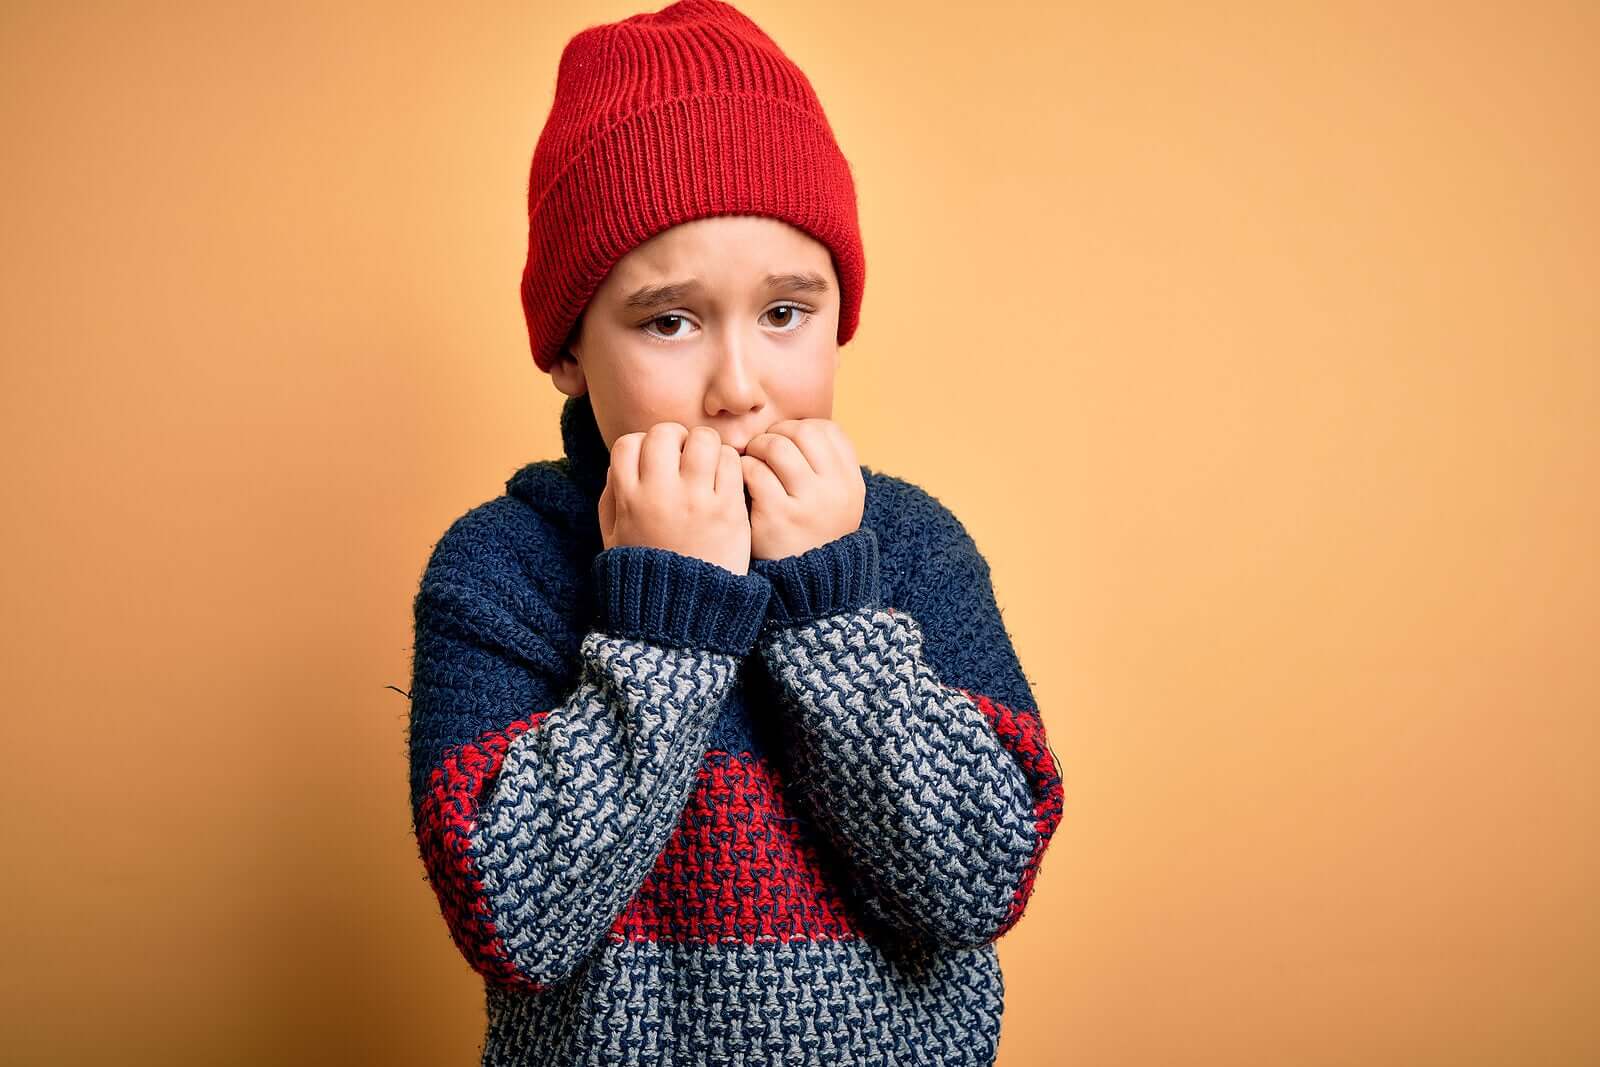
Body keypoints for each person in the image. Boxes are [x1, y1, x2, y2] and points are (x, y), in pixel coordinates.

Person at [406, 2, 1064, 1063]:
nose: (739, 386)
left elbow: (975, 883)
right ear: (569, 349)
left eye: (785, 312)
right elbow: (518, 922)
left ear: (838, 314)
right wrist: (665, 618)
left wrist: (832, 607)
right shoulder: (502, 566)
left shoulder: (912, 547)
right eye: (669, 320)